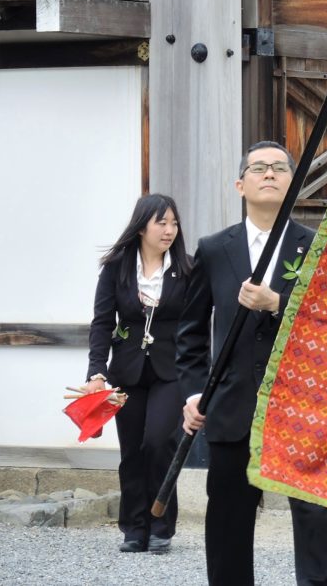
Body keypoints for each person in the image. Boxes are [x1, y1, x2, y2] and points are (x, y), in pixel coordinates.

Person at [176, 141, 327, 586]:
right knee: (229, 517)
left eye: (278, 168)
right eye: (258, 168)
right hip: (232, 404)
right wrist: (195, 394)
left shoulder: (315, 245)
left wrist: (277, 302)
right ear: (240, 184)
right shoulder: (214, 248)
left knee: (313, 514)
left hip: (299, 405)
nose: (268, 174)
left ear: (292, 182)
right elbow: (190, 334)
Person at [81, 194, 191, 554]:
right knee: (131, 451)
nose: (169, 230)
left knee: (159, 443)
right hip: (127, 371)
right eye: (162, 222)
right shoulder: (117, 267)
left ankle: (161, 524)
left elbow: (197, 325)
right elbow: (102, 323)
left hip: (170, 371)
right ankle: (134, 527)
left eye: (174, 223)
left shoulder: (187, 269)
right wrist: (96, 372)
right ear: (142, 225)